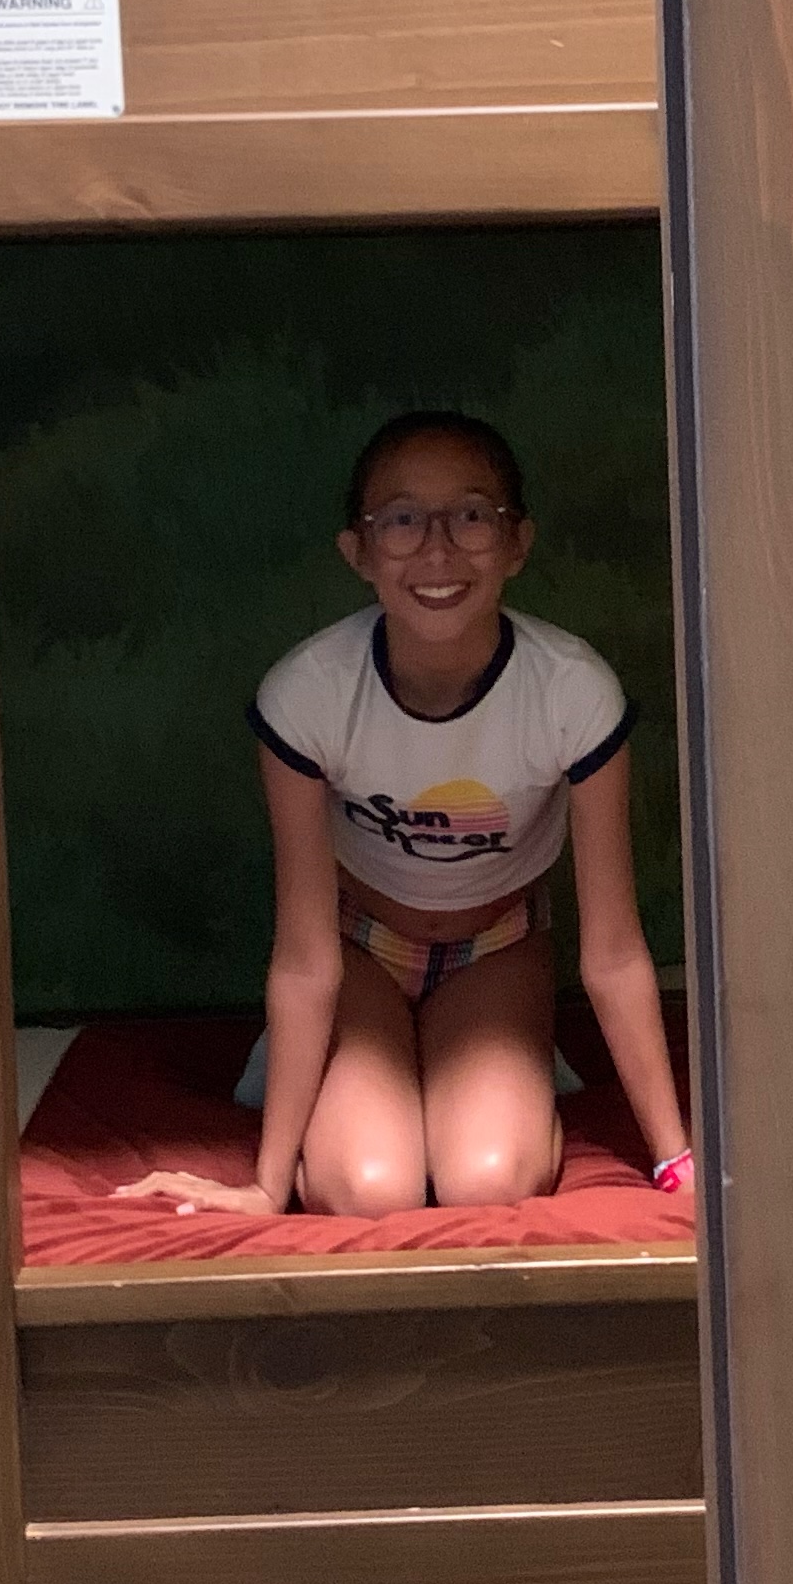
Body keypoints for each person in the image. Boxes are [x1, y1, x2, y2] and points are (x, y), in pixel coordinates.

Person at [117, 411, 692, 1219]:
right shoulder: (310, 693)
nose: (437, 551)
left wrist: (677, 1162)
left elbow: (614, 952)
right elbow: (305, 954)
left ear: (518, 542)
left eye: (470, 516)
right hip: (360, 952)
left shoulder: (571, 692)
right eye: (401, 521)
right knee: (368, 1188)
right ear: (357, 551)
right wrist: (265, 1183)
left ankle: (496, 1074)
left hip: (497, 947)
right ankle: (362, 1074)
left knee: (486, 1179)